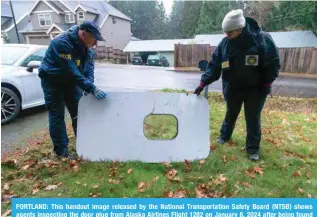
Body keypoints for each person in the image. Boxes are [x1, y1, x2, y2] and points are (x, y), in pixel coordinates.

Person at [194, 9, 280, 161]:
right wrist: (203, 83)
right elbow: (214, 65)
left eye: (230, 32)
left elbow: (273, 63)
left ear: (240, 29)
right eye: (225, 32)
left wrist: (267, 83)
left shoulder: (261, 40)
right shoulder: (225, 44)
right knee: (231, 113)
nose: (226, 36)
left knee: (252, 117)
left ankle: (253, 149)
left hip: (256, 88)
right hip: (233, 87)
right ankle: (224, 136)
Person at [38, 21, 107, 159]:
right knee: (57, 115)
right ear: (83, 34)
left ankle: (84, 145)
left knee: (79, 113)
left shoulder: (88, 50)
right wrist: (91, 87)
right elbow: (70, 71)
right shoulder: (62, 43)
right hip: (53, 80)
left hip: (71, 81)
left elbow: (89, 71)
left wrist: (89, 86)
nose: (95, 43)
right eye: (94, 38)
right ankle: (61, 152)